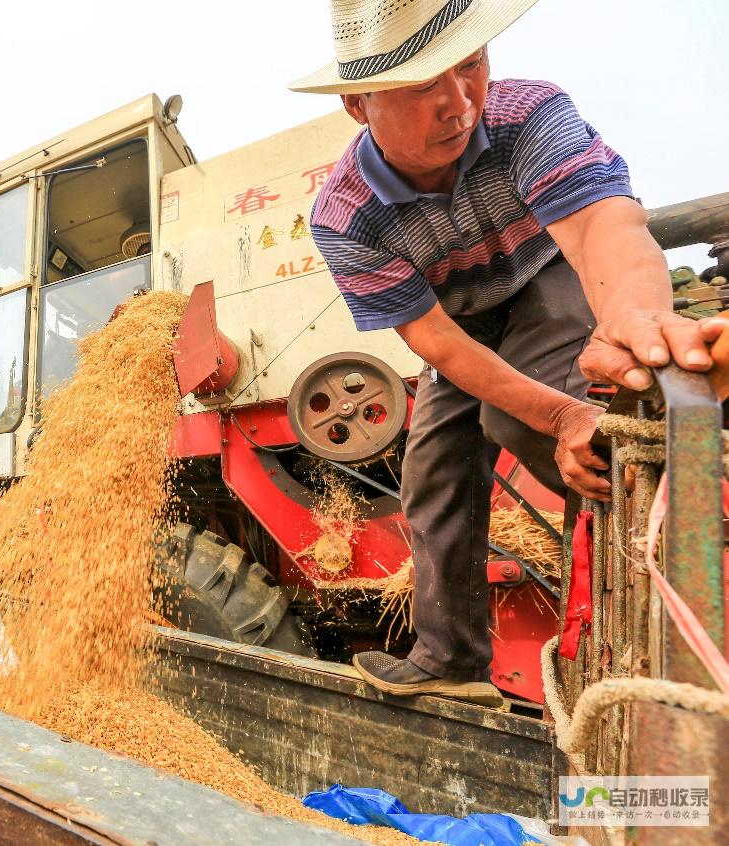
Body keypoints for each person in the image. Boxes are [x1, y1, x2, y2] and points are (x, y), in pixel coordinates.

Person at [295, 1, 723, 707]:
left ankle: (648, 573)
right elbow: (434, 342)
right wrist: (557, 418)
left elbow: (599, 225)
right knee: (429, 468)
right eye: (418, 86)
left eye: (469, 66)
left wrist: (634, 318)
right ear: (356, 105)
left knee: (530, 422)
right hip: (456, 325)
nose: (457, 103)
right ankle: (450, 658)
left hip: (546, 279)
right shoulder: (343, 215)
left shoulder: (527, 113)